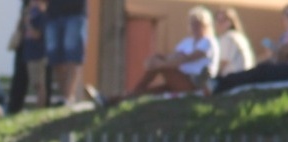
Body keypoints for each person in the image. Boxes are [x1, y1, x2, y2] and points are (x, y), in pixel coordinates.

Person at [89, 6, 218, 105]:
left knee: (160, 66)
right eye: (193, 23)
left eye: (198, 24)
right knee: (149, 92)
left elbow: (187, 58)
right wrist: (157, 59)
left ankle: (129, 92)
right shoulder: (187, 42)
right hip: (181, 78)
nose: (195, 27)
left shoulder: (208, 42)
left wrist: (160, 64)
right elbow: (175, 57)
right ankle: (111, 100)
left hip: (195, 82)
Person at [211, 0, 288, 94]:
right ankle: (221, 83)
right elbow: (282, 53)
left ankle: (220, 85)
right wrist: (283, 51)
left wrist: (283, 51)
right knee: (260, 69)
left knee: (262, 72)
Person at [8, 0, 49, 111]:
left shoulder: (41, 15)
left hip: (37, 54)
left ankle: (40, 108)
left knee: (39, 84)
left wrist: (28, 22)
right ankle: (15, 108)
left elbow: (37, 34)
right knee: (31, 82)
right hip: (28, 52)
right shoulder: (30, 13)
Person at [45, 0, 87, 106]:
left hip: (75, 12)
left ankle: (69, 97)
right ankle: (65, 97)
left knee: (72, 55)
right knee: (55, 58)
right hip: (53, 13)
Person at [214, 7, 255, 75]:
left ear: (230, 22)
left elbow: (223, 63)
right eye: (218, 20)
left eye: (223, 20)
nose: (219, 24)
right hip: (246, 76)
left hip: (235, 79)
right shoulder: (239, 36)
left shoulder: (228, 37)